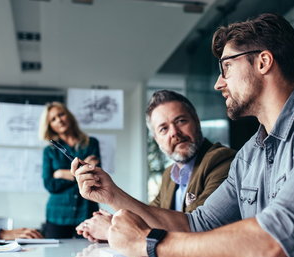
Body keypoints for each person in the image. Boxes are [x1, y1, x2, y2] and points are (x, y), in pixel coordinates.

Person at [72, 13, 294, 257]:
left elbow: (276, 241)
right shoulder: (249, 155)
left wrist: (149, 243)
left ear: (263, 62)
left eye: (226, 68)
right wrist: (111, 194)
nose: (219, 83)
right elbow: (196, 225)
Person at [76, 90, 235, 241]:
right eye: (163, 129)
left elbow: (198, 229)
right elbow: (149, 218)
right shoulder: (169, 175)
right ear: (156, 139)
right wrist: (114, 222)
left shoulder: (221, 161)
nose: (174, 133)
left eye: (181, 121)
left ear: (197, 122)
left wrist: (112, 229)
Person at [39, 102, 101, 238]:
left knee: (89, 254)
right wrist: (80, 173)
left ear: (69, 116)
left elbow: (95, 178)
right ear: (50, 126)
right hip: (57, 215)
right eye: (53, 119)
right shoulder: (49, 151)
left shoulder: (91, 143)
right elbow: (50, 184)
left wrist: (61, 173)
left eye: (61, 114)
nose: (59, 120)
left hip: (86, 212)